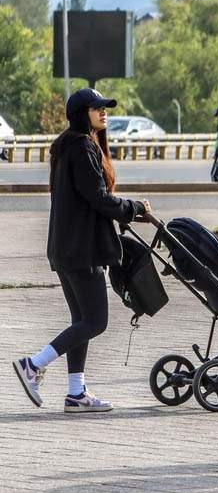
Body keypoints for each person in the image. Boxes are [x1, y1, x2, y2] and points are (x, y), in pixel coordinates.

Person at [12, 88, 152, 412]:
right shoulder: (82, 148)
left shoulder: (66, 147)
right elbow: (99, 198)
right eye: (96, 108)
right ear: (81, 113)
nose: (104, 112)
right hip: (82, 250)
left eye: (104, 107)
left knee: (81, 319)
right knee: (96, 321)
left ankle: (76, 393)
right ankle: (33, 365)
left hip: (65, 248)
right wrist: (134, 207)